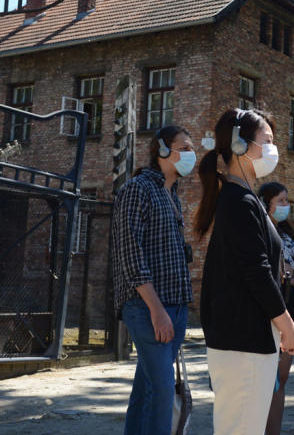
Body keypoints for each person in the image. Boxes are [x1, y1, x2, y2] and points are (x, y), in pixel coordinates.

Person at [194, 109, 294, 435]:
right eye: (268, 141)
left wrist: (286, 328)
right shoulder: (239, 201)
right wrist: (286, 327)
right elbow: (256, 271)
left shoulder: (242, 199)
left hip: (248, 342)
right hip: (242, 345)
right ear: (241, 146)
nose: (273, 149)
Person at [110, 125, 196, 435]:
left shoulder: (171, 193)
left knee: (146, 389)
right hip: (147, 307)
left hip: (175, 306)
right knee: (162, 389)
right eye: (183, 147)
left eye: (191, 148)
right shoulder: (138, 189)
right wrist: (156, 310)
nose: (190, 154)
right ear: (161, 150)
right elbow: (130, 253)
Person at [257, 182, 294, 435]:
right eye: (281, 201)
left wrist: (290, 279)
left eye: (287, 200)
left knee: (281, 379)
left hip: (289, 304)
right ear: (266, 203)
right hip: (267, 309)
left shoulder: (288, 237)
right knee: (265, 380)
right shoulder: (260, 233)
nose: (286, 206)